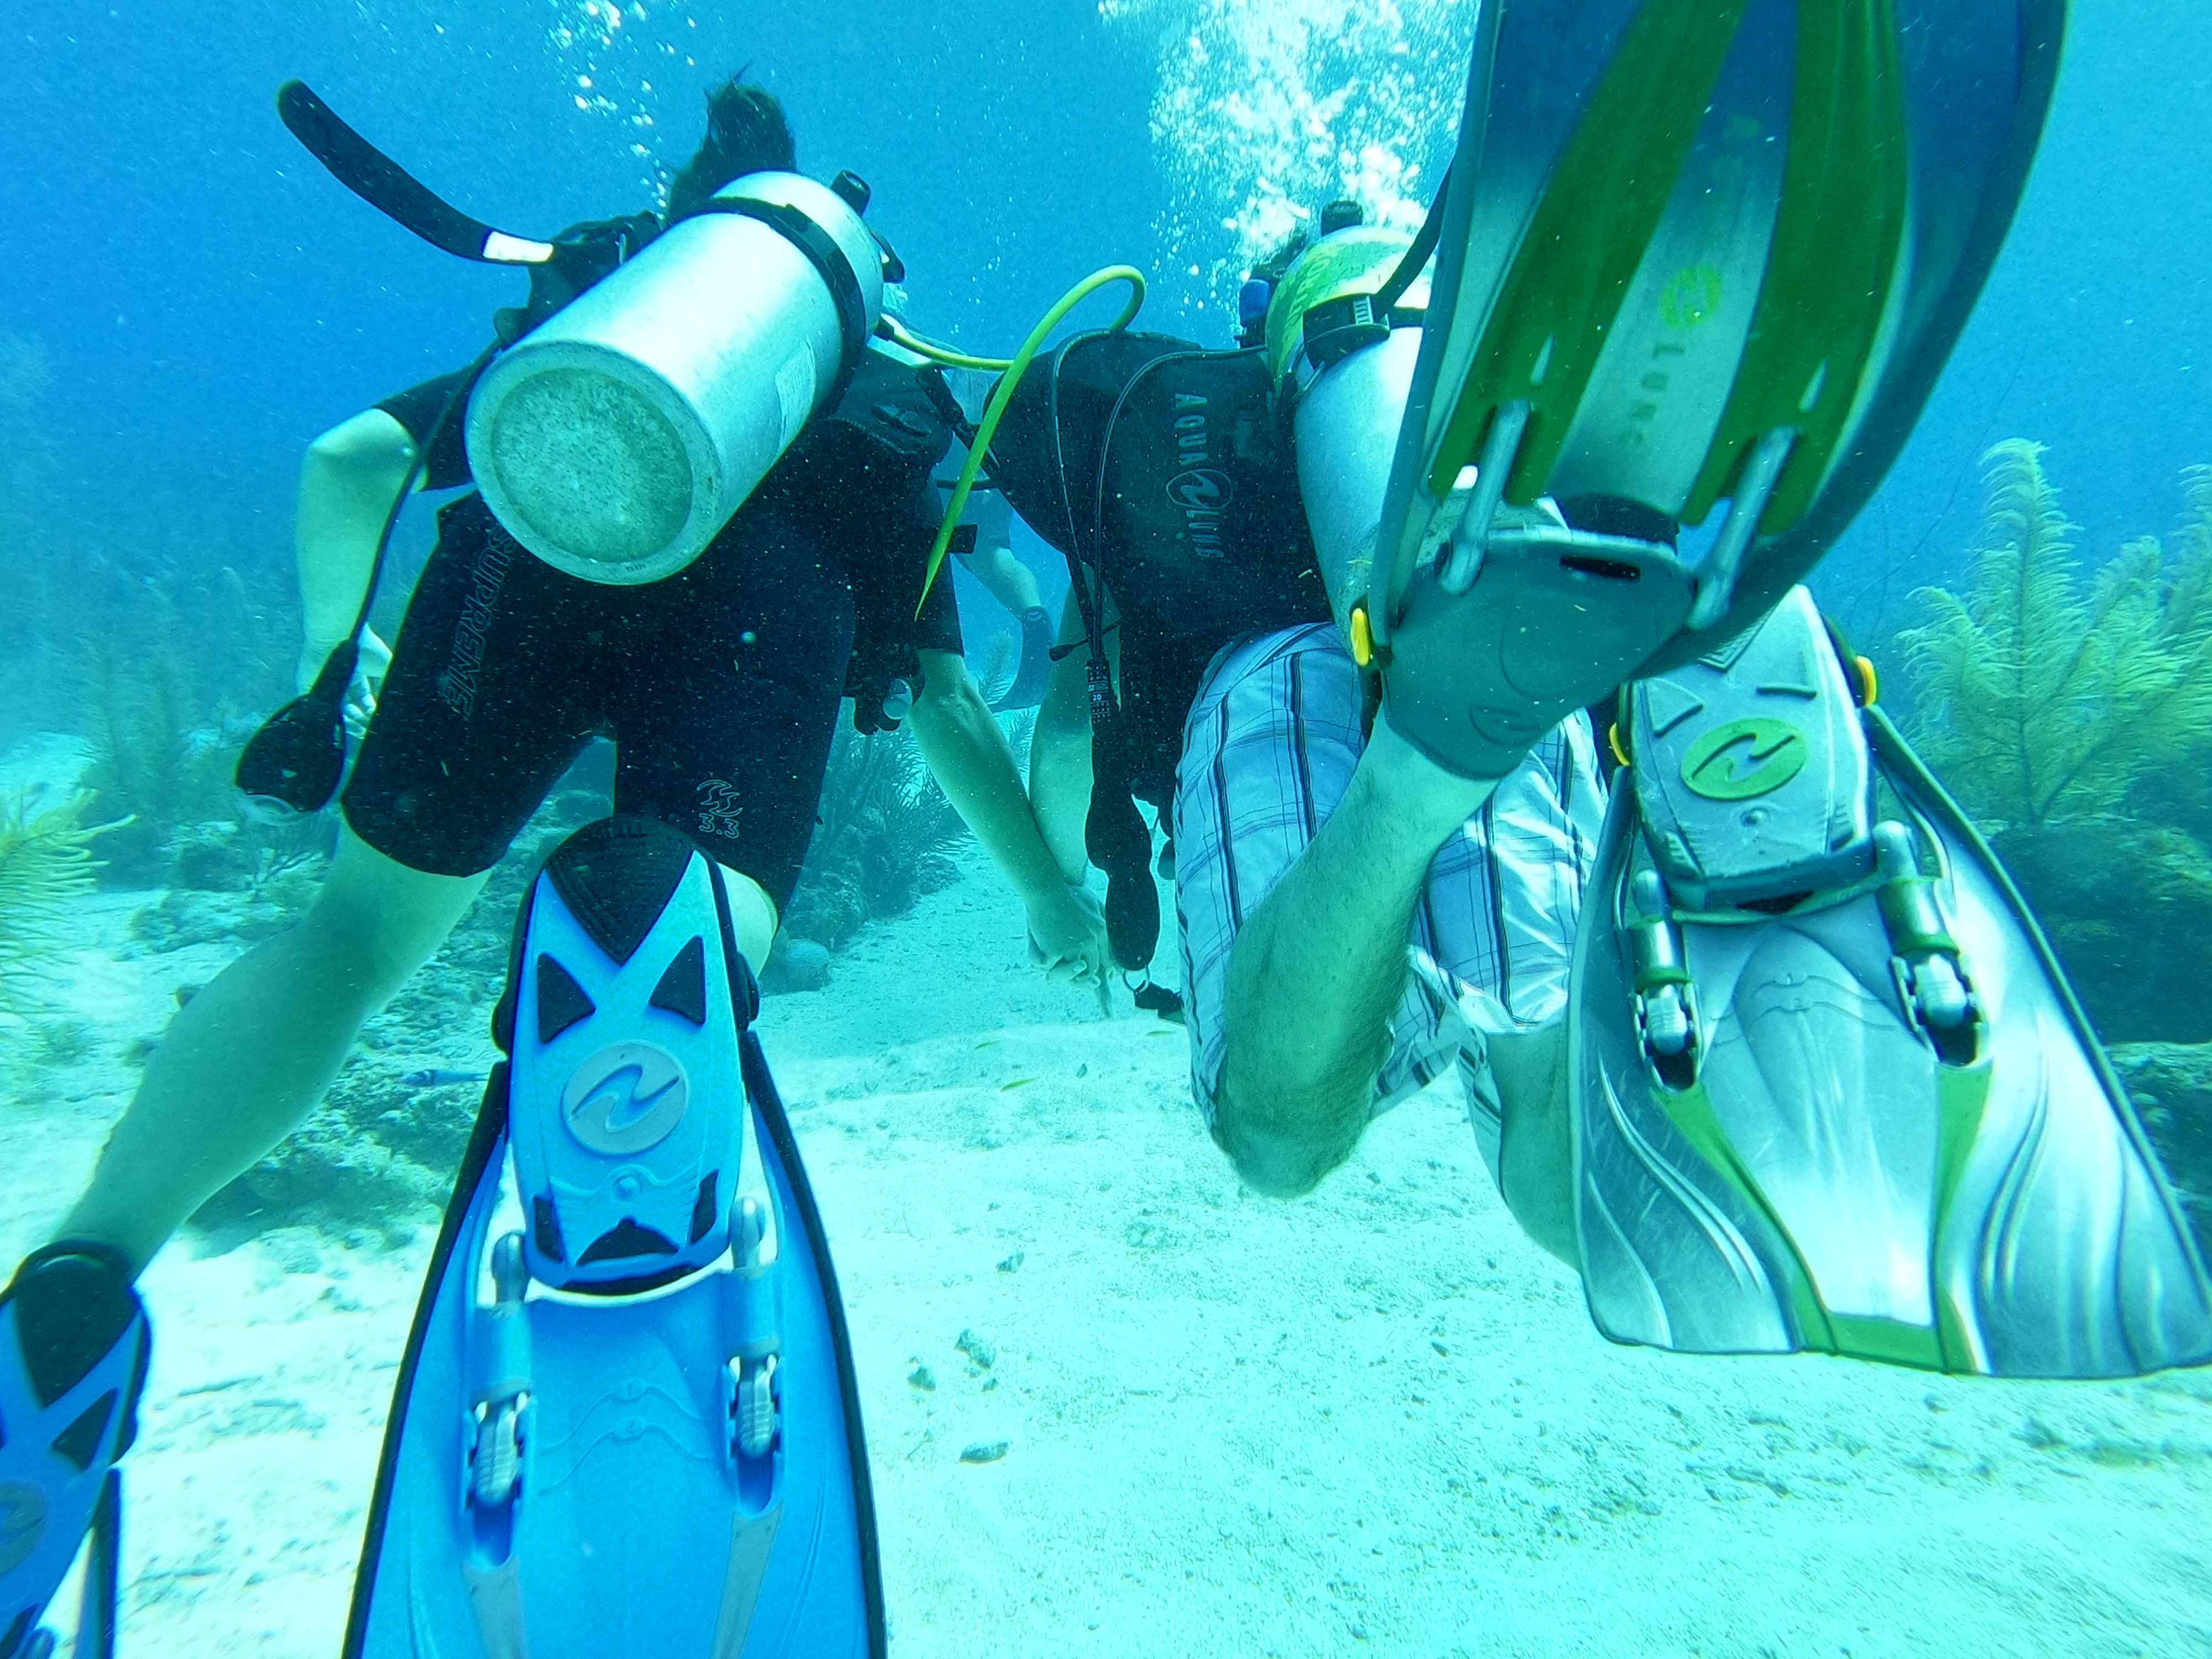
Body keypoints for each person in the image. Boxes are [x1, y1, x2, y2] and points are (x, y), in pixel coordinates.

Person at [0, 74, 1105, 1652]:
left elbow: (342, 461)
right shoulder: (874, 393)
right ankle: (645, 1146)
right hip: (768, 604)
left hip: (528, 549)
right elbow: (938, 699)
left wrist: (327, 673)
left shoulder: (593, 315)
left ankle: (85, 1273)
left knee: (348, 942)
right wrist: (1049, 894)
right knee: (700, 964)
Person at [994, 0, 2210, 1380]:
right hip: (1505, 615)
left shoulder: (1169, 421)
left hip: (1269, 680)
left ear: (1257, 320)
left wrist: (1059, 886)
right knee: (1551, 1127)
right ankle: (1715, 710)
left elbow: (1074, 717)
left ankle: (1410, 778)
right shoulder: (1472, 378)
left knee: (1279, 1139)